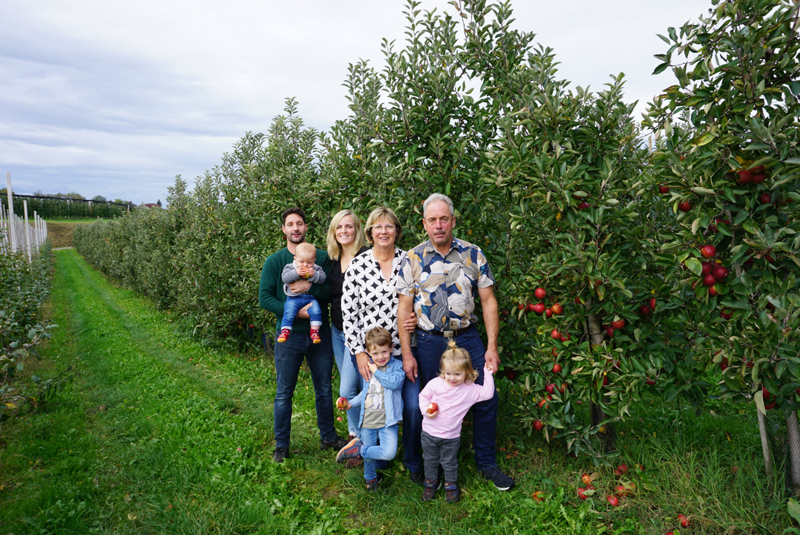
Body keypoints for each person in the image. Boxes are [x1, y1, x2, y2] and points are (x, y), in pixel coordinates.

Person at [397, 193, 515, 491]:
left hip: (467, 340)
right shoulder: (412, 258)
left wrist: (491, 346)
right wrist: (407, 353)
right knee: (426, 402)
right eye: (433, 220)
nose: (439, 225)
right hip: (427, 342)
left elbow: (488, 301)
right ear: (424, 224)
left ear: (453, 220)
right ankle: (428, 467)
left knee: (487, 398)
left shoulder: (473, 254)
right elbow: (403, 308)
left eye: (444, 219)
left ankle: (486, 464)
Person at [259, 207, 347, 463]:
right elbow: (265, 298)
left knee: (323, 388)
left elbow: (331, 291)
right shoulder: (275, 262)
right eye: (290, 224)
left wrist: (309, 287)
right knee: (284, 391)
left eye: (300, 223)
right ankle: (281, 445)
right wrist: (294, 313)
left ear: (306, 227)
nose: (295, 228)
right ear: (283, 229)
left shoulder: (321, 257)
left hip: (320, 335)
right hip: (289, 336)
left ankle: (328, 437)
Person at [340, 206, 422, 476]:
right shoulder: (358, 265)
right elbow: (348, 313)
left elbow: (423, 300)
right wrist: (359, 353)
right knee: (374, 408)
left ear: (397, 231)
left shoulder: (409, 261)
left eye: (389, 226)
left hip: (404, 350)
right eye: (378, 226)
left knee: (411, 405)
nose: (384, 231)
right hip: (372, 354)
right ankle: (376, 461)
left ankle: (412, 461)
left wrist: (416, 318)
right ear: (370, 232)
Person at [418, 340, 495, 503]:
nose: (452, 378)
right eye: (448, 373)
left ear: (467, 372)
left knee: (449, 462)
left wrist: (487, 373)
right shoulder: (436, 384)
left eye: (457, 374)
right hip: (429, 433)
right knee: (430, 460)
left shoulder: (470, 389)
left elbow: (488, 394)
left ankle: (450, 484)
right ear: (443, 371)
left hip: (451, 437)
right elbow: (423, 396)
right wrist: (426, 410)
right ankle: (431, 482)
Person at [335, 327, 404, 491]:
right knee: (370, 456)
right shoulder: (368, 368)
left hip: (388, 420)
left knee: (388, 452)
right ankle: (371, 480)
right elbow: (366, 393)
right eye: (375, 354)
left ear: (391, 349)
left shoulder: (396, 367)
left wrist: (376, 371)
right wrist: (351, 404)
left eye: (384, 352)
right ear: (368, 353)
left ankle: (359, 449)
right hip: (368, 419)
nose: (380, 357)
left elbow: (393, 383)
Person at [326, 210, 369, 441]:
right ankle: (356, 435)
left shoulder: (367, 256)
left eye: (349, 226)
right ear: (334, 231)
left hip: (361, 335)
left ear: (357, 229)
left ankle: (366, 437)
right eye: (339, 227)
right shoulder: (331, 260)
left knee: (350, 389)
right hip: (337, 331)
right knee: (349, 386)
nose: (344, 231)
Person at [278, 242, 326, 344]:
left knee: (316, 311)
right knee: (289, 311)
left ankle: (314, 332)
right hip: (294, 298)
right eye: (301, 262)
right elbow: (285, 278)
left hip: (310, 299)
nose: (305, 265)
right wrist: (296, 273)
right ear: (295, 259)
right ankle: (285, 331)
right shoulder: (290, 267)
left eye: (309, 262)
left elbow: (322, 279)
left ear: (314, 260)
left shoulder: (316, 268)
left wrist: (314, 275)